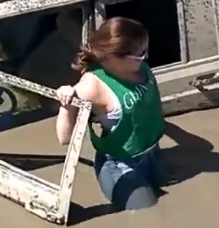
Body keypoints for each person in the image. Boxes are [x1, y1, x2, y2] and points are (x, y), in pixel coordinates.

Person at [55, 16, 166, 211]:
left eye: (145, 50)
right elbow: (64, 138)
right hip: (120, 165)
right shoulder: (92, 86)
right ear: (115, 56)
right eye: (140, 54)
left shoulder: (139, 68)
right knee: (148, 212)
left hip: (151, 152)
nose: (145, 57)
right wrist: (66, 104)